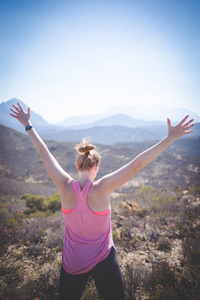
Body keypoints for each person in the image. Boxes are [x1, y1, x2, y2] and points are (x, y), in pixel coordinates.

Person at [10, 102, 194, 300]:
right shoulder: (102, 188)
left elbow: (44, 153)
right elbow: (137, 164)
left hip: (72, 261)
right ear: (96, 166)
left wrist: (27, 125)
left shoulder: (64, 185)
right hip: (104, 259)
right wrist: (171, 137)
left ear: (76, 164)